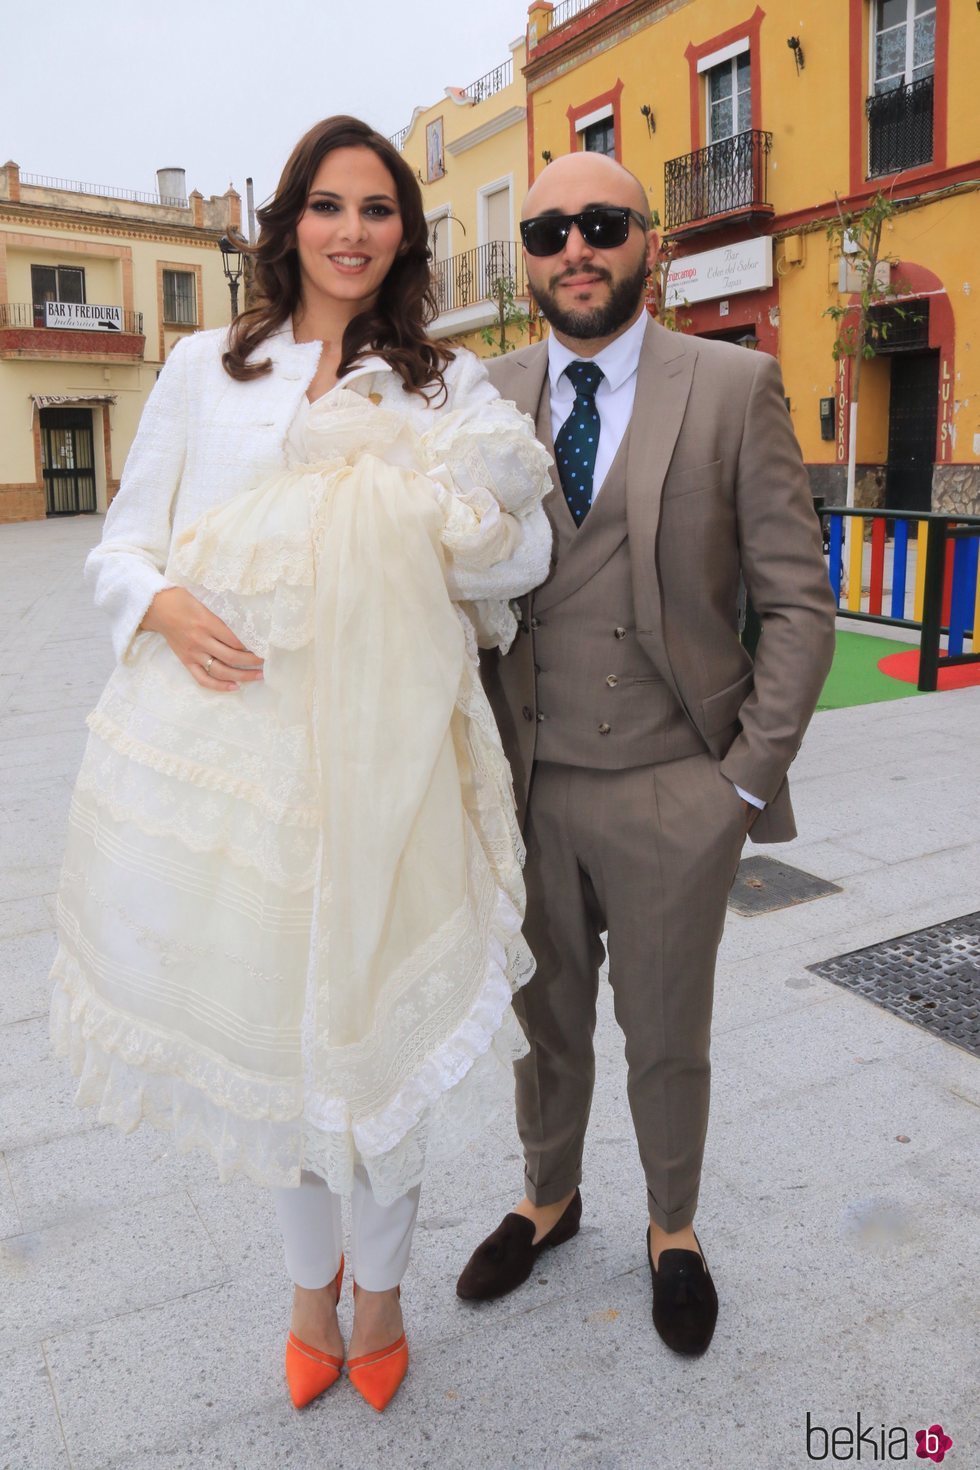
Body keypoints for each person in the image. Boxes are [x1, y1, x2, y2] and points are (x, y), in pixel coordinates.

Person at [49, 116, 553, 1412]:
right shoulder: (207, 370)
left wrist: (440, 519)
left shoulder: (443, 385)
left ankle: (378, 1293)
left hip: (399, 761)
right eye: (327, 205)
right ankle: (303, 1289)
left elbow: (519, 558)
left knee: (377, 1046)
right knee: (287, 1046)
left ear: (404, 233)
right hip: (247, 762)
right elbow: (123, 544)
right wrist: (157, 606)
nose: (350, 229)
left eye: (377, 208)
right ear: (289, 224)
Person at [456, 151, 836, 1355]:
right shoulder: (477, 396)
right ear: (527, 258)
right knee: (544, 1017)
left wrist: (741, 781)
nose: (575, 246)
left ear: (646, 244)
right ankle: (548, 1197)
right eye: (550, 228)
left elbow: (796, 604)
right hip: (526, 785)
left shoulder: (733, 387)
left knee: (667, 1027)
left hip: (679, 782)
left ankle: (672, 1227)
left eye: (601, 223)